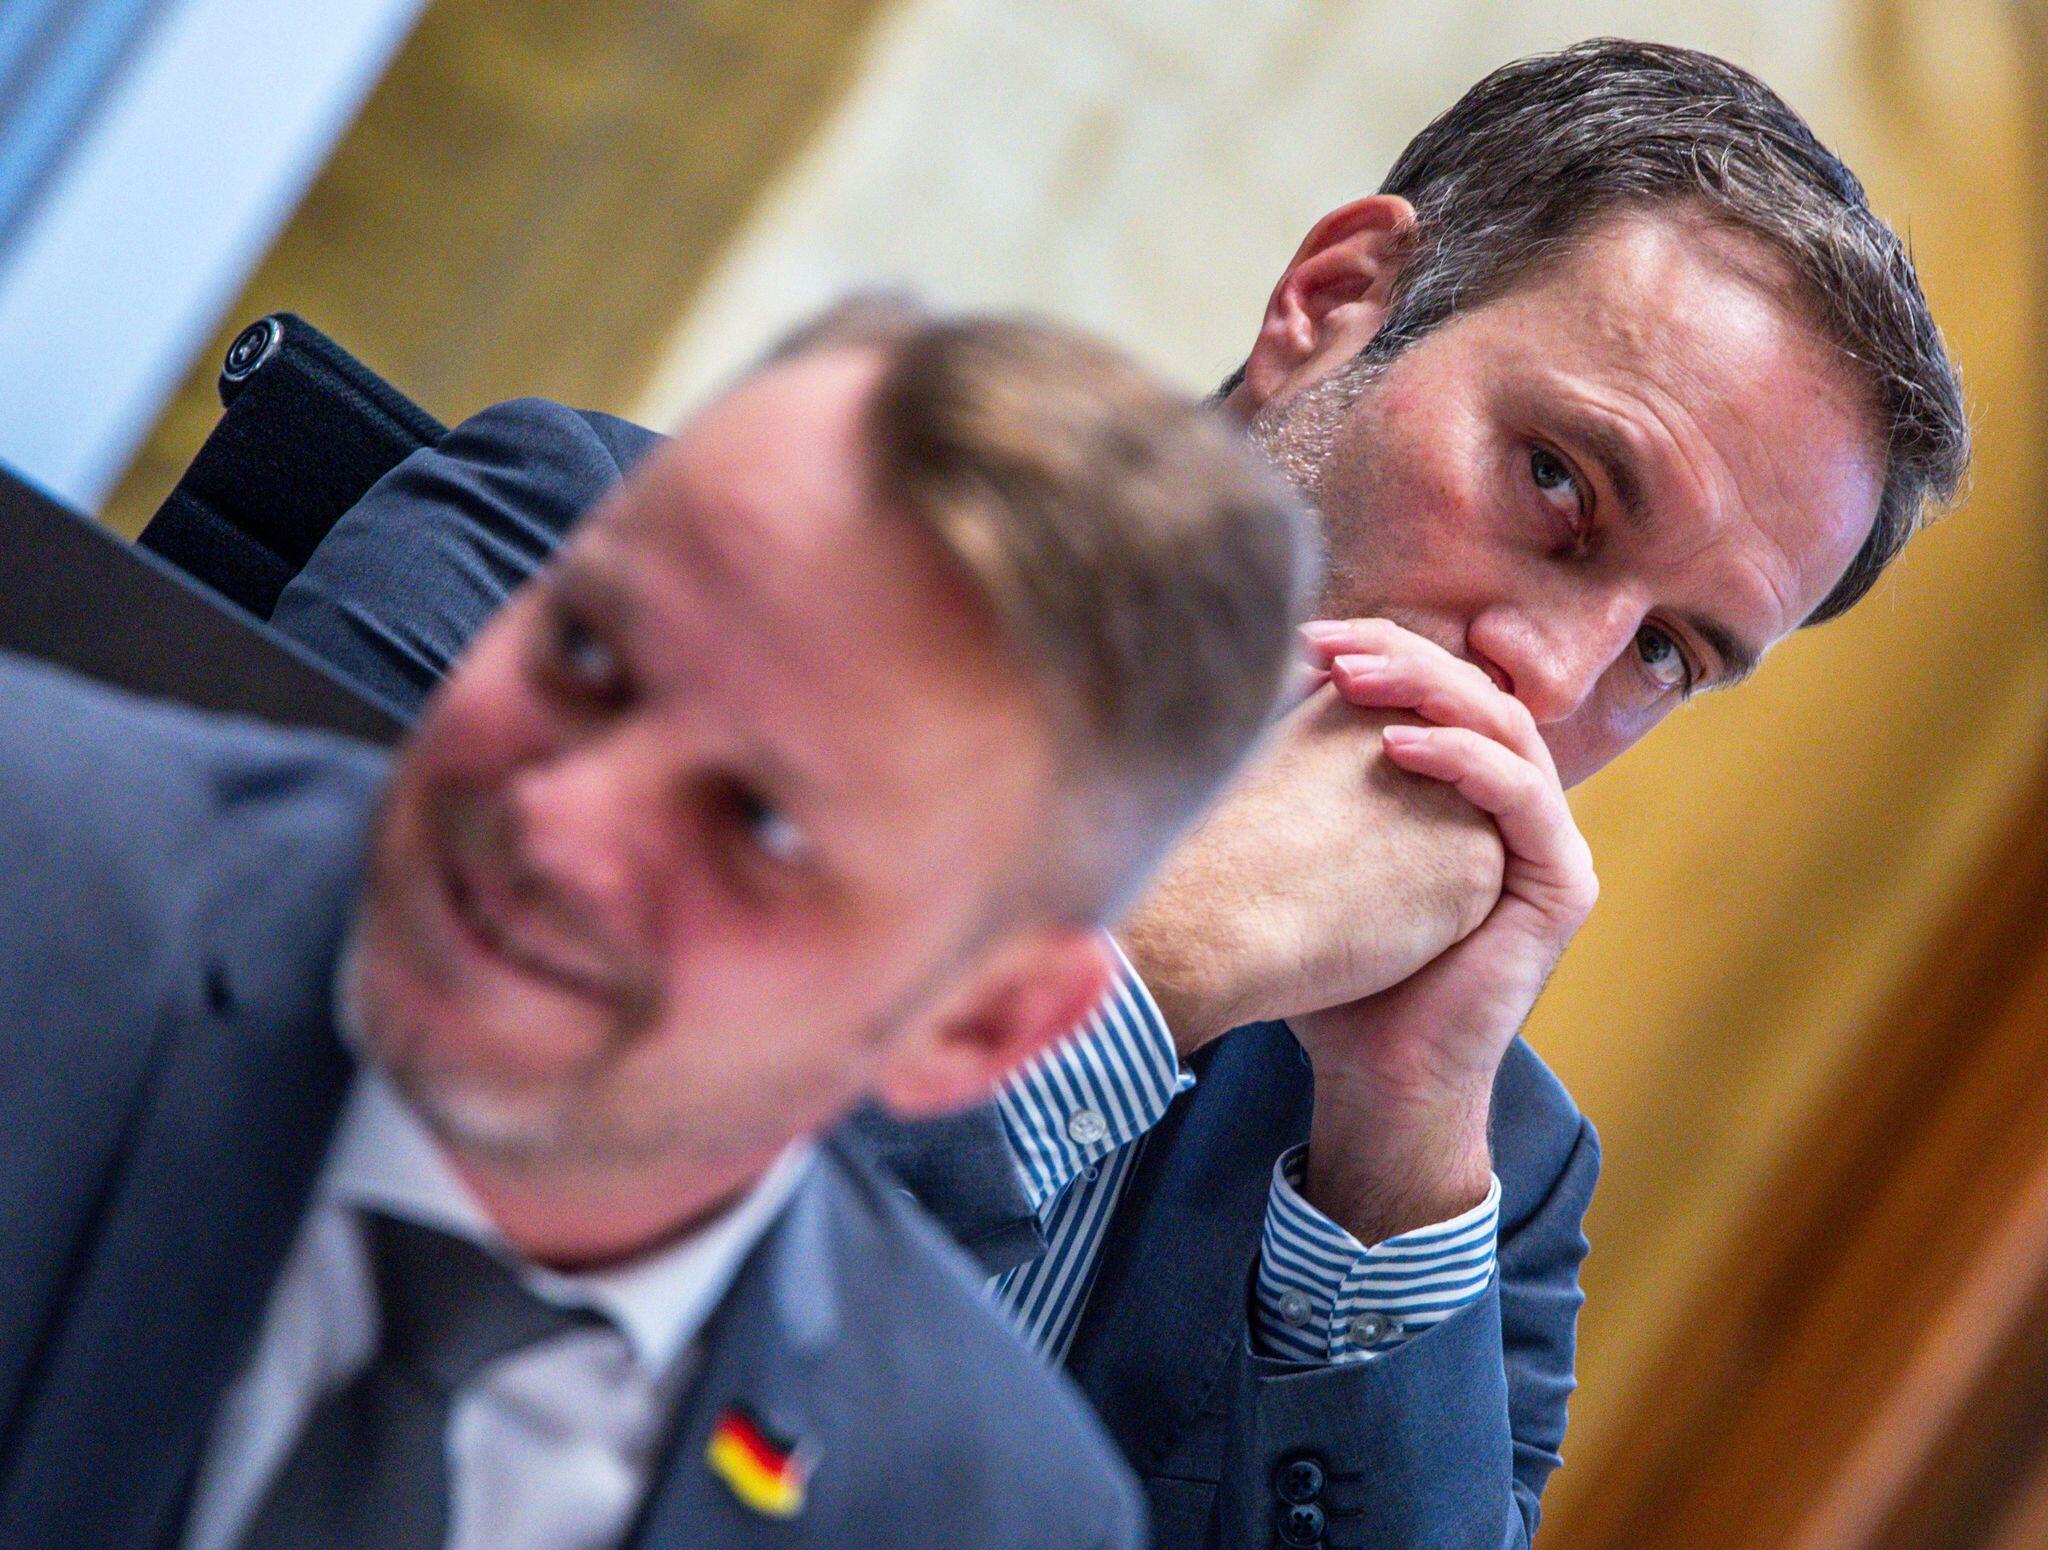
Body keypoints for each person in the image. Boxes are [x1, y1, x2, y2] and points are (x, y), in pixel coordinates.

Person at [263, 39, 1972, 1550]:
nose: (1549, 672)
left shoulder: (1482, 1170)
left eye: (1668, 650)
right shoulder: (594, 591)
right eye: (1557, 483)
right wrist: (1149, 968)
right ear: (1335, 304)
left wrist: (1391, 1153)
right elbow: (337, 1189)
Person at [0, 310, 1325, 1549]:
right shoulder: (31, 878)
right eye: (586, 655)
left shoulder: (982, 1503)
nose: (557, 821)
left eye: (760, 824)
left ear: (977, 1023)